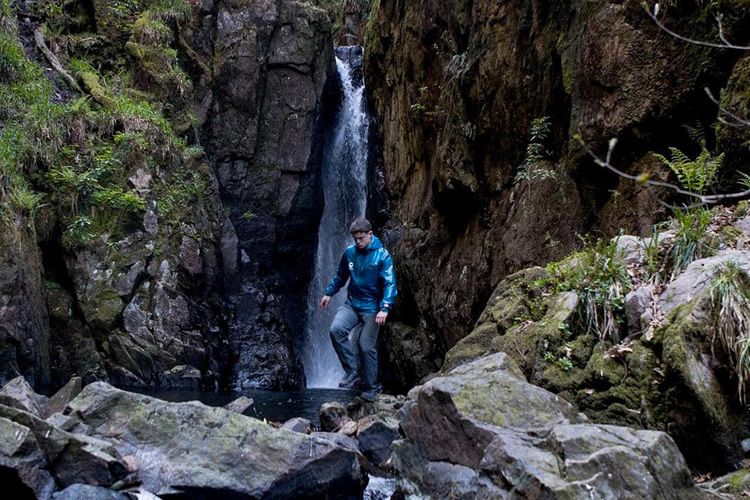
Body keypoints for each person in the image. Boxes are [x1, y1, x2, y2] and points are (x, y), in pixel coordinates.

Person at [320, 217, 397, 402]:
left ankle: (371, 387)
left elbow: (389, 283)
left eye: (361, 238)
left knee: (365, 345)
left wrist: (384, 308)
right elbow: (340, 276)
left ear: (370, 234)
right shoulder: (350, 253)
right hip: (353, 304)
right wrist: (328, 293)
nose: (358, 242)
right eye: (355, 239)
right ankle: (352, 370)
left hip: (373, 308)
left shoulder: (382, 255)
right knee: (336, 330)